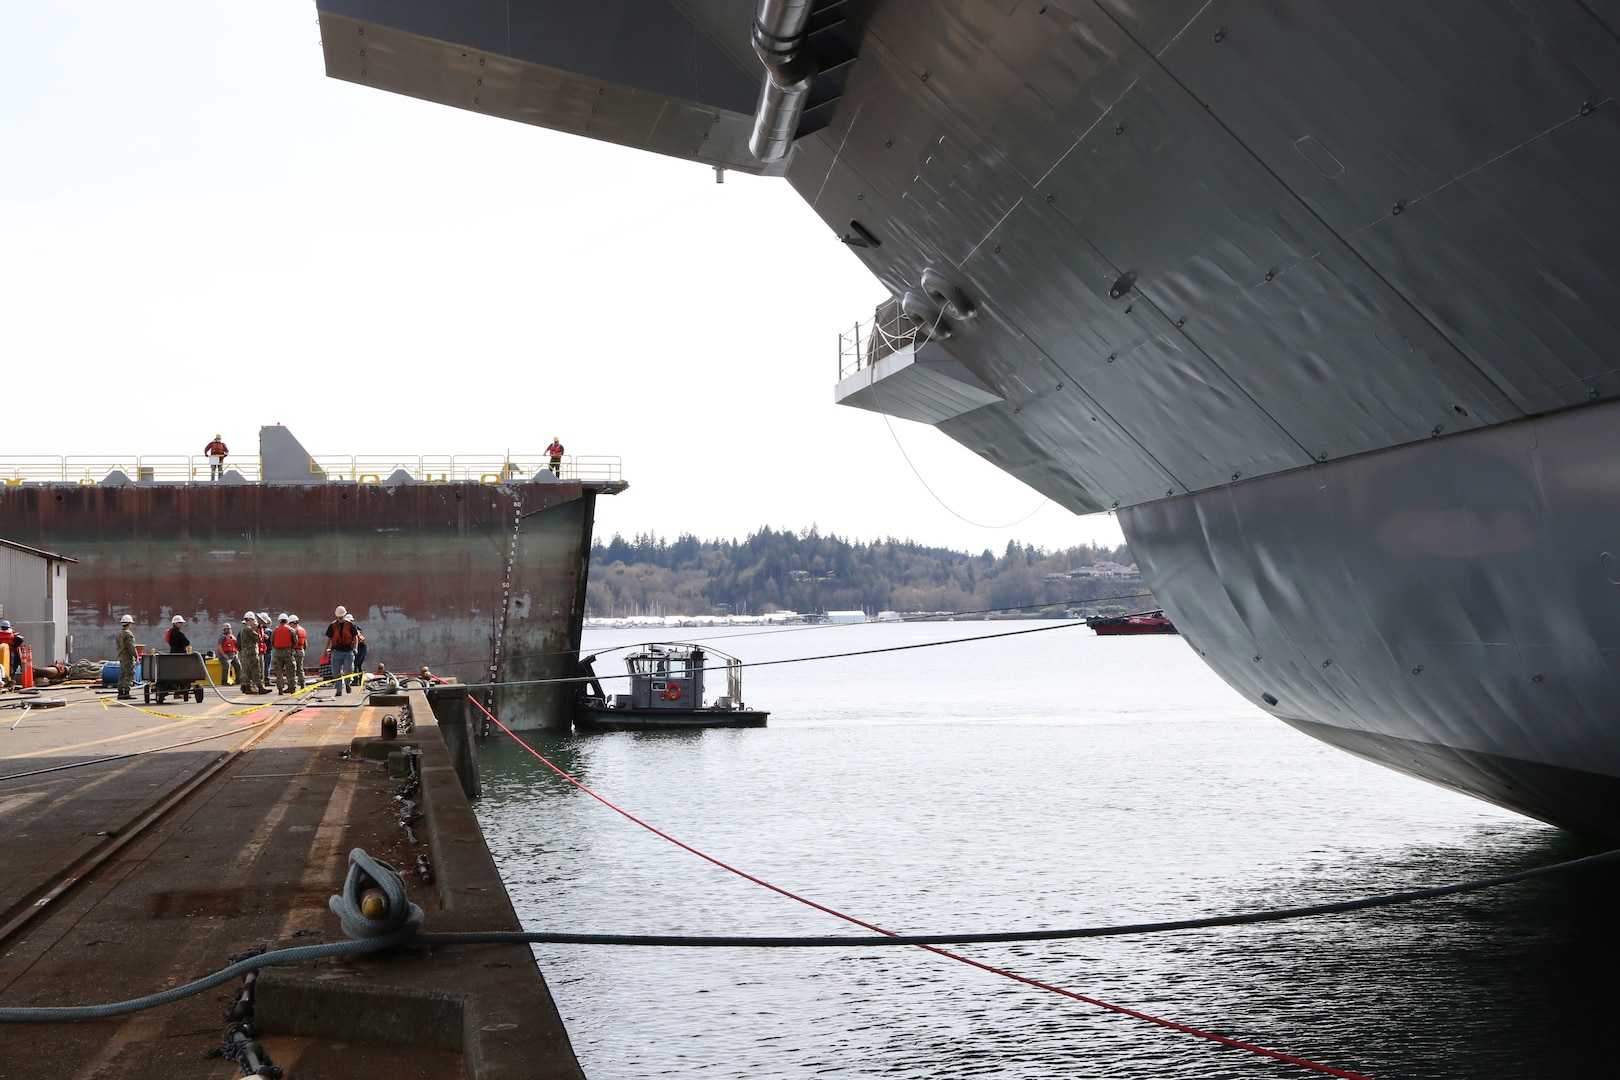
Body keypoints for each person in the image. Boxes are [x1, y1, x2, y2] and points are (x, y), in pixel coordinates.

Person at [326, 605, 359, 695]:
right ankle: (339, 689)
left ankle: (348, 683)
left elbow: (355, 637)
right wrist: (325, 650)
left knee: (349, 670)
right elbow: (328, 639)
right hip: (336, 652)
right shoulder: (332, 626)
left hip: (348, 651)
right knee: (336, 672)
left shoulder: (350, 625)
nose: (340, 617)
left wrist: (355, 648)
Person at [238, 612, 268, 694]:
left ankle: (246, 687)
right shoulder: (248, 629)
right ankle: (258, 688)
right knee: (256, 670)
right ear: (250, 620)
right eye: (253, 620)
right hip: (251, 653)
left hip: (246, 653)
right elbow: (257, 638)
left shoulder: (243, 628)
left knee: (247, 671)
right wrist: (255, 629)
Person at [271, 613, 297, 694]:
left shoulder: (275, 630)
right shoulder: (291, 630)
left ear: (279, 621)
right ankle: (292, 687)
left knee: (279, 671)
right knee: (290, 671)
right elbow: (295, 641)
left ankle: (280, 689)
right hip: (288, 652)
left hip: (278, 653)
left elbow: (272, 641)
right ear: (287, 621)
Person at [116, 614, 138, 700]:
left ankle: (120, 692)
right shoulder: (128, 634)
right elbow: (131, 647)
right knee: (130, 673)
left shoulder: (119, 634)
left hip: (121, 656)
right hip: (127, 657)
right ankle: (126, 691)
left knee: (122, 674)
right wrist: (136, 656)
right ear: (129, 624)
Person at [218, 622, 241, 686]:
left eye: (229, 629)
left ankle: (238, 679)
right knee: (226, 666)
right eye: (226, 629)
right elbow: (219, 647)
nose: (228, 630)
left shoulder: (233, 637)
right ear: (224, 630)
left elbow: (236, 646)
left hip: (233, 655)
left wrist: (236, 654)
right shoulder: (222, 637)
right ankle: (224, 681)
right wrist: (224, 655)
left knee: (238, 665)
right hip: (225, 655)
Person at [289, 614, 307, 689]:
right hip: (301, 650)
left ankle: (293, 686)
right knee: (300, 668)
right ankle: (302, 684)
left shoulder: (294, 630)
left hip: (295, 651)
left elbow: (292, 641)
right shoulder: (303, 630)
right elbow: (305, 643)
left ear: (292, 623)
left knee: (292, 669)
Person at [351, 618, 368, 688]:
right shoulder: (356, 628)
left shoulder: (352, 629)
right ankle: (361, 681)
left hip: (361, 648)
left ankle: (356, 681)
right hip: (363, 648)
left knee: (355, 664)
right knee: (359, 665)